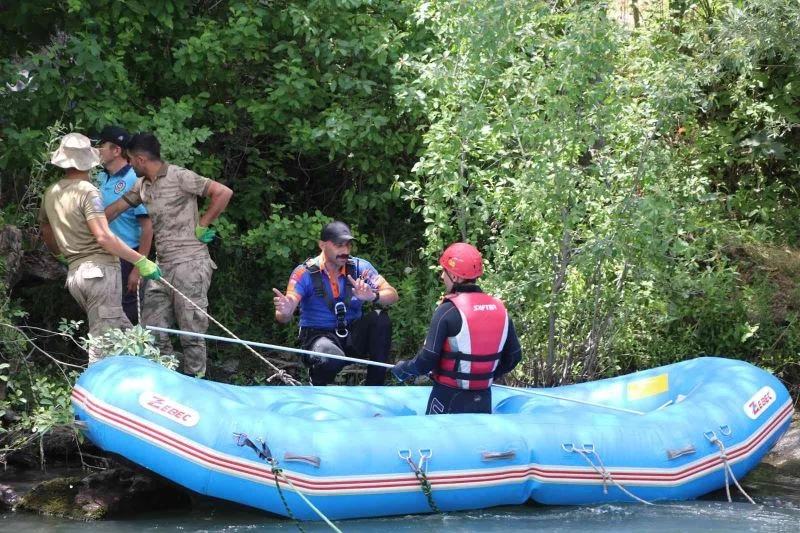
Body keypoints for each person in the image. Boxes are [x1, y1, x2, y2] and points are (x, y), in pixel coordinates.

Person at [104, 132, 233, 377]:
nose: (129, 165)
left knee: (191, 331)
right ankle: (164, 379)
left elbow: (223, 192)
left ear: (141, 159)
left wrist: (203, 224)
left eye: (131, 160)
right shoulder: (142, 186)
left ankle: (196, 383)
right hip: (161, 267)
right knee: (151, 330)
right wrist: (90, 223)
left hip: (191, 263)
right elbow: (115, 210)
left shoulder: (179, 176)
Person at [38, 133, 162, 364]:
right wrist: (140, 261)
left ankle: (148, 377)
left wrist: (60, 253)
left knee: (125, 335)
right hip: (99, 272)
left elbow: (46, 230)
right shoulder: (88, 191)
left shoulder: (51, 192)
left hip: (76, 275)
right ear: (88, 160)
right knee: (103, 346)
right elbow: (104, 237)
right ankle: (95, 394)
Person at [391, 243, 522, 415]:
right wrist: (486, 377)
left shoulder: (447, 310)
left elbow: (427, 360)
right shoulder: (500, 308)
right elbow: (514, 356)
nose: (441, 276)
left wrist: (403, 369)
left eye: (444, 271)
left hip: (447, 398)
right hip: (483, 400)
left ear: (455, 276)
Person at [273, 221, 398, 385]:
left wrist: (373, 296)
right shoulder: (303, 273)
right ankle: (318, 387)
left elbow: (393, 295)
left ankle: (375, 388)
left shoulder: (360, 267)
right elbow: (285, 312)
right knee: (331, 356)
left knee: (380, 318)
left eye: (348, 245)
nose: (345, 251)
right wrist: (286, 310)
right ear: (322, 245)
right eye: (339, 245)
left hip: (351, 335)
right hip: (319, 337)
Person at [95, 125, 153, 324]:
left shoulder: (133, 179)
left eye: (101, 145)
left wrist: (139, 268)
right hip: (102, 255)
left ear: (116, 150)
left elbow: (147, 227)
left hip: (127, 257)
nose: (98, 150)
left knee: (128, 315)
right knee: (104, 313)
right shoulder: (99, 177)